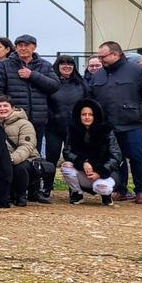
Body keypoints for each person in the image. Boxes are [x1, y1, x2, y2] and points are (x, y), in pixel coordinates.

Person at [88, 41, 142, 204]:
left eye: (103, 56)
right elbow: (91, 98)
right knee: (116, 158)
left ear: (116, 54)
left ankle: (141, 191)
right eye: (99, 57)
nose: (101, 60)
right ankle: (120, 189)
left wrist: (141, 111)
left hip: (133, 124)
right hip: (109, 126)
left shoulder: (138, 71)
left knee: (137, 157)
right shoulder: (98, 76)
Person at [0, 34, 58, 157]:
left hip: (38, 117)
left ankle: (34, 176)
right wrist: (5, 110)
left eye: (26, 45)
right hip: (13, 119)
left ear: (34, 47)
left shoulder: (45, 65)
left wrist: (32, 75)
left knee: (34, 153)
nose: (23, 48)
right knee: (11, 151)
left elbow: (54, 86)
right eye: (20, 45)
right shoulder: (5, 65)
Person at [61, 99, 123, 206]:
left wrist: (100, 172)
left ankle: (106, 195)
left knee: (102, 187)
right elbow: (67, 151)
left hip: (105, 173)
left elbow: (116, 156)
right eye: (84, 114)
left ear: (96, 116)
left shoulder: (106, 131)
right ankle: (77, 193)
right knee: (66, 166)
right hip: (84, 172)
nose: (87, 117)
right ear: (79, 116)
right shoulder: (73, 130)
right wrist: (82, 162)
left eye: (90, 114)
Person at [47, 55, 87, 191]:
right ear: (57, 67)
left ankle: (75, 190)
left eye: (70, 64)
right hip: (53, 128)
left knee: (74, 159)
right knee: (51, 158)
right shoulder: (51, 83)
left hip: (75, 129)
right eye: (63, 63)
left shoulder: (81, 84)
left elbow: (87, 103)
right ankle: (47, 187)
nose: (67, 66)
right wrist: (51, 117)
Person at [0, 94, 41, 207]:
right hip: (1, 158)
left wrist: (12, 158)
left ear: (13, 108)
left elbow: (27, 146)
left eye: (5, 106)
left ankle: (21, 195)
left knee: (20, 167)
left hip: (24, 158)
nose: (2, 109)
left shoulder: (24, 124)